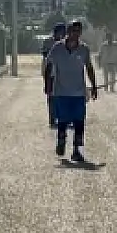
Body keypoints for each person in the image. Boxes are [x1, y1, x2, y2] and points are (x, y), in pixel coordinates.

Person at [43, 20, 98, 162]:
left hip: (79, 93)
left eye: (78, 31)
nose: (76, 34)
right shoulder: (57, 48)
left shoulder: (84, 49)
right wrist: (47, 84)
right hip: (61, 92)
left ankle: (77, 150)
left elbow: (89, 68)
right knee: (62, 120)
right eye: (73, 31)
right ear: (68, 32)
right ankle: (61, 141)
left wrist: (94, 86)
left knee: (79, 122)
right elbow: (49, 66)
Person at [41, 22, 67, 128]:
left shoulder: (67, 42)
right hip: (51, 72)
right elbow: (45, 55)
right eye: (61, 32)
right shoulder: (48, 42)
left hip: (64, 73)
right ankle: (52, 118)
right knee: (51, 96)